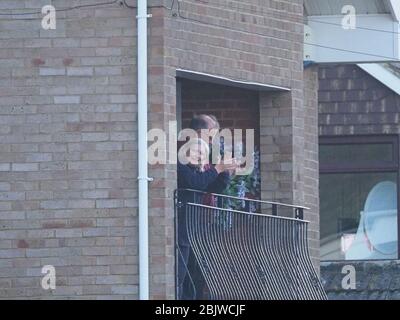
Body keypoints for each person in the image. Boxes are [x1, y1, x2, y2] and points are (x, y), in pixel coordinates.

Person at [177, 115, 237, 299]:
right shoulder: (180, 161)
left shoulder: (198, 162)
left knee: (195, 277)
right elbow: (194, 183)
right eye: (210, 137)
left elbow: (210, 188)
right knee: (179, 276)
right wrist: (217, 169)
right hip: (182, 227)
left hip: (196, 228)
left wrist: (225, 172)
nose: (211, 144)